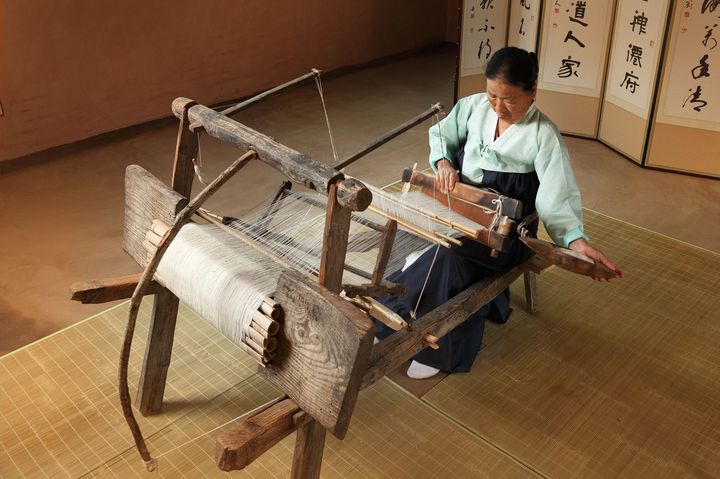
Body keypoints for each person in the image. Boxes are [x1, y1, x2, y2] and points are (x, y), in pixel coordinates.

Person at [375, 47, 623, 380]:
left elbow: (555, 198)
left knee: (451, 257)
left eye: (510, 99)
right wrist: (445, 163)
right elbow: (441, 135)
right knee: (427, 241)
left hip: (505, 234)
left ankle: (436, 351)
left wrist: (575, 242)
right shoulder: (473, 107)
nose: (498, 106)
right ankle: (398, 322)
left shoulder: (544, 135)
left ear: (532, 91)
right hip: (459, 210)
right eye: (493, 95)